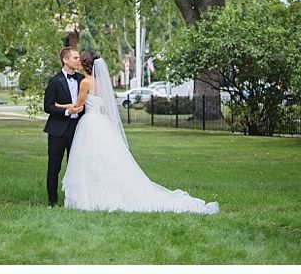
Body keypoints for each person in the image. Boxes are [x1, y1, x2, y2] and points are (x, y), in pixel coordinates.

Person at [58, 50, 219, 213]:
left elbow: (78, 106)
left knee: (89, 160)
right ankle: (104, 193)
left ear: (85, 64)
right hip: (102, 122)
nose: (77, 62)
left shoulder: (85, 82)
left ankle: (90, 196)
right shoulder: (101, 83)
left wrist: (59, 106)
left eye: (80, 60)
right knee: (105, 159)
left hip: (90, 123)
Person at [43, 46, 85, 206]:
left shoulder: (82, 79)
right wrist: (67, 111)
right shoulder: (54, 81)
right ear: (65, 60)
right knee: (54, 166)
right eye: (75, 58)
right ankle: (52, 201)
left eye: (79, 58)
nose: (78, 60)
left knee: (76, 166)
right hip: (57, 130)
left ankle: (74, 200)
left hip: (78, 129)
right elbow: (48, 106)